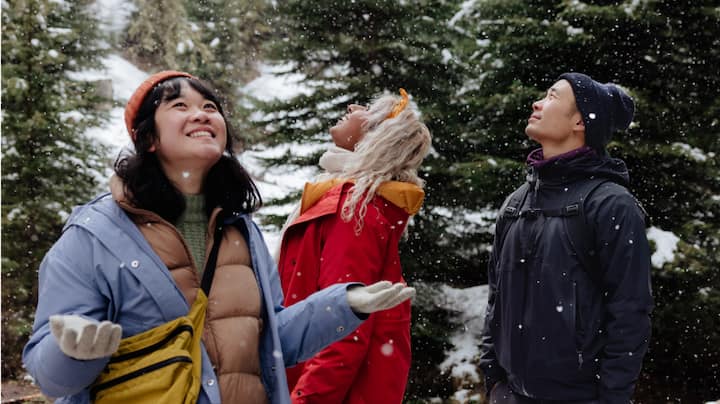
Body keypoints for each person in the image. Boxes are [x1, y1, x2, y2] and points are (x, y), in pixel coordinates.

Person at [22, 70, 416, 404]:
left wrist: (344, 304)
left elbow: (271, 343)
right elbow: (50, 376)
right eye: (179, 106)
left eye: (210, 107)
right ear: (148, 139)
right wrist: (71, 353)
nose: (201, 114)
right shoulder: (93, 236)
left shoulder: (240, 229)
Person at [479, 72, 654, 404]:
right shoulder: (516, 203)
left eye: (553, 97)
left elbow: (630, 312)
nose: (538, 103)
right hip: (510, 395)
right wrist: (494, 381)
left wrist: (611, 398)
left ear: (580, 122)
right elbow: (496, 299)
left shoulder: (611, 205)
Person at [276, 88, 431, 403]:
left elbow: (343, 327)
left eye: (369, 109)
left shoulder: (354, 210)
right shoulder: (344, 199)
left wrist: (303, 399)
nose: (353, 105)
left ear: (376, 137)